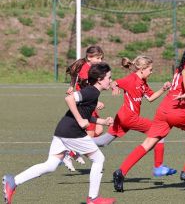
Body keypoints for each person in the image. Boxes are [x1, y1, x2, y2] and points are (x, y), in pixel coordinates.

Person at [2, 62, 116, 204]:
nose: (111, 81)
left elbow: (84, 113)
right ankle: (93, 199)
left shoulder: (93, 92)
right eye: (109, 78)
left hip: (63, 129)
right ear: (100, 79)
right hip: (72, 132)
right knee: (98, 159)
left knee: (51, 165)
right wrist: (80, 120)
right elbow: (69, 98)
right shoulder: (91, 92)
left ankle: (13, 181)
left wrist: (102, 122)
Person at [113, 42, 185, 192]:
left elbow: (181, 83)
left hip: (163, 109)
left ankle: (121, 171)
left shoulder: (180, 66)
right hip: (177, 111)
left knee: (149, 143)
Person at [93, 55, 176, 177]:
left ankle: (76, 143)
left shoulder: (143, 82)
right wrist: (114, 87)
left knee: (103, 141)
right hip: (129, 117)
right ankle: (158, 167)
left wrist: (163, 89)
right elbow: (115, 82)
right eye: (150, 69)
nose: (152, 72)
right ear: (142, 69)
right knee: (159, 131)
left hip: (123, 117)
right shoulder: (131, 79)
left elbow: (151, 98)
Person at [64, 45, 105, 171]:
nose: (100, 61)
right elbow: (86, 89)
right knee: (90, 135)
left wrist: (72, 85)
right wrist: (96, 101)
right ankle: (69, 153)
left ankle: (74, 151)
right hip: (85, 104)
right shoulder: (86, 70)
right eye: (98, 58)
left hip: (89, 102)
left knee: (99, 129)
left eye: (101, 58)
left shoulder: (89, 67)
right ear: (89, 57)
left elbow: (74, 75)